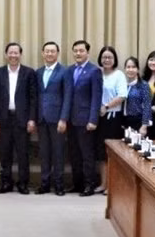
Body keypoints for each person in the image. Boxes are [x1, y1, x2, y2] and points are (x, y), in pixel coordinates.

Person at [0, 42, 36, 195]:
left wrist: (32, 119)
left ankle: (23, 183)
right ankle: (6, 182)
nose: (13, 55)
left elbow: (33, 98)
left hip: (22, 119)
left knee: (23, 153)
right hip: (4, 119)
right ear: (6, 55)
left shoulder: (29, 73)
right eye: (10, 53)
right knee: (5, 153)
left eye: (16, 53)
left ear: (20, 55)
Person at [67, 40, 102, 197]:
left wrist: (93, 119)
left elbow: (96, 97)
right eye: (75, 51)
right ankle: (77, 183)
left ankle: (89, 185)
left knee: (87, 154)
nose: (78, 53)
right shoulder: (70, 70)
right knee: (74, 154)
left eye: (81, 51)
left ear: (87, 52)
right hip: (71, 120)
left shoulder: (94, 71)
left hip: (86, 120)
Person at [35, 41, 71, 196]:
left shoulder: (65, 71)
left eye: (52, 51)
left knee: (58, 153)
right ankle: (44, 184)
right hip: (41, 119)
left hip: (57, 120)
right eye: (47, 51)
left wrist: (63, 119)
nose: (49, 54)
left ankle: (59, 185)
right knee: (44, 153)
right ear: (42, 53)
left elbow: (68, 96)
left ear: (57, 53)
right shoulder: (38, 72)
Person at [95, 46, 128, 195]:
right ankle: (103, 184)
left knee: (111, 154)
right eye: (104, 57)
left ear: (114, 60)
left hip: (112, 118)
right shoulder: (97, 73)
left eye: (109, 57)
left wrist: (106, 106)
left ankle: (112, 186)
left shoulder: (119, 75)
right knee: (101, 154)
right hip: (97, 118)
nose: (106, 60)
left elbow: (122, 95)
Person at [121, 57, 151, 134]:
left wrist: (144, 126)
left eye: (133, 67)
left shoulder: (143, 85)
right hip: (124, 121)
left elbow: (147, 106)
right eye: (128, 67)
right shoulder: (123, 84)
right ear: (125, 69)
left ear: (138, 69)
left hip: (138, 121)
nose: (130, 69)